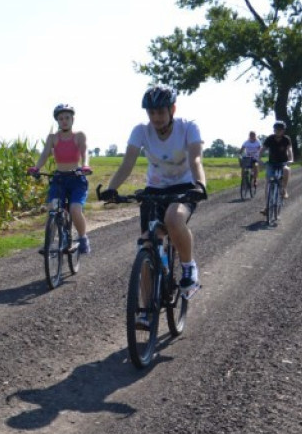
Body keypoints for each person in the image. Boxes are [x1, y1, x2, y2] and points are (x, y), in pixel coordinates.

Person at [98, 85, 207, 300]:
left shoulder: (188, 128)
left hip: (184, 187)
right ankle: (146, 310)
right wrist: (112, 188)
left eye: (160, 112)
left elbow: (195, 159)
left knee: (174, 220)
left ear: (172, 109)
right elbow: (127, 163)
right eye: (151, 112)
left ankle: (188, 268)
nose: (156, 117)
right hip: (154, 190)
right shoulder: (141, 131)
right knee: (147, 244)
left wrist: (200, 184)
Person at [29, 104, 92, 254]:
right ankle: (49, 243)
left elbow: (85, 152)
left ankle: (83, 238)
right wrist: (36, 168)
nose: (64, 121)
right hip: (59, 179)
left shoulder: (79, 136)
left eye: (67, 118)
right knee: (52, 208)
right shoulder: (53, 138)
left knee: (75, 209)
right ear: (57, 120)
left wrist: (85, 165)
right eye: (61, 118)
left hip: (76, 178)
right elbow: (44, 154)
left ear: (72, 119)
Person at [260, 120, 293, 215]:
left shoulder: (286, 139)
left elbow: (290, 149)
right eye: (276, 129)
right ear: (274, 130)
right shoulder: (270, 138)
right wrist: (259, 158)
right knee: (268, 183)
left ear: (283, 131)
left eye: (280, 130)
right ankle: (266, 207)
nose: (277, 131)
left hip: (283, 162)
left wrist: (291, 159)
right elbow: (263, 149)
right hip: (272, 163)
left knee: (287, 169)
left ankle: (284, 190)